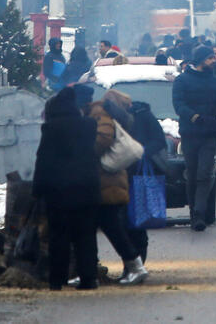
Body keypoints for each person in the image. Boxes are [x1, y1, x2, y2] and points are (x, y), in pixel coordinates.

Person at [33, 87, 100, 291]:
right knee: (86, 236)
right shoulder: (89, 125)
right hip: (87, 188)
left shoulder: (51, 128)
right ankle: (89, 278)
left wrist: (37, 190)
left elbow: (43, 160)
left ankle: (57, 279)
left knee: (59, 236)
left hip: (59, 191)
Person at [87, 91, 149, 285]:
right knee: (119, 226)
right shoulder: (124, 117)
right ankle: (130, 267)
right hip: (120, 177)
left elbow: (103, 140)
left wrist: (85, 152)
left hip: (111, 179)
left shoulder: (101, 115)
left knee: (115, 226)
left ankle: (134, 267)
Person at [173, 45, 216, 231]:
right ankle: (194, 214)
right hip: (190, 134)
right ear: (200, 60)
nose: (213, 61)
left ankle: (199, 213)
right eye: (210, 58)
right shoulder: (182, 80)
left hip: (209, 134)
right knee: (192, 175)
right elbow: (178, 105)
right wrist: (194, 117)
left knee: (205, 174)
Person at [106, 90, 165, 264]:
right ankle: (133, 263)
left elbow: (158, 140)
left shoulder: (142, 115)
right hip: (118, 175)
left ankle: (135, 263)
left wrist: (140, 152)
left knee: (134, 220)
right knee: (125, 222)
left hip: (135, 175)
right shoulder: (107, 120)